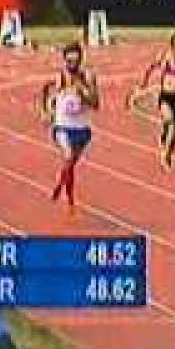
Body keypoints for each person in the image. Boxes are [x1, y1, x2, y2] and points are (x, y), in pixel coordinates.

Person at [40, 42, 99, 218]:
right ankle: (65, 194)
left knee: (71, 165)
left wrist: (83, 92)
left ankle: (65, 188)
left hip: (82, 129)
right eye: (68, 61)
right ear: (64, 61)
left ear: (81, 60)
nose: (71, 65)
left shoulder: (88, 77)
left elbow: (96, 104)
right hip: (62, 126)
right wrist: (45, 110)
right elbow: (45, 88)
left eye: (75, 61)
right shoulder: (60, 77)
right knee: (68, 157)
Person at [135, 33, 175, 170]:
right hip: (166, 96)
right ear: (171, 46)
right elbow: (151, 67)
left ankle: (168, 153)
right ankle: (164, 143)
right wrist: (144, 82)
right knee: (169, 120)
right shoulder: (164, 57)